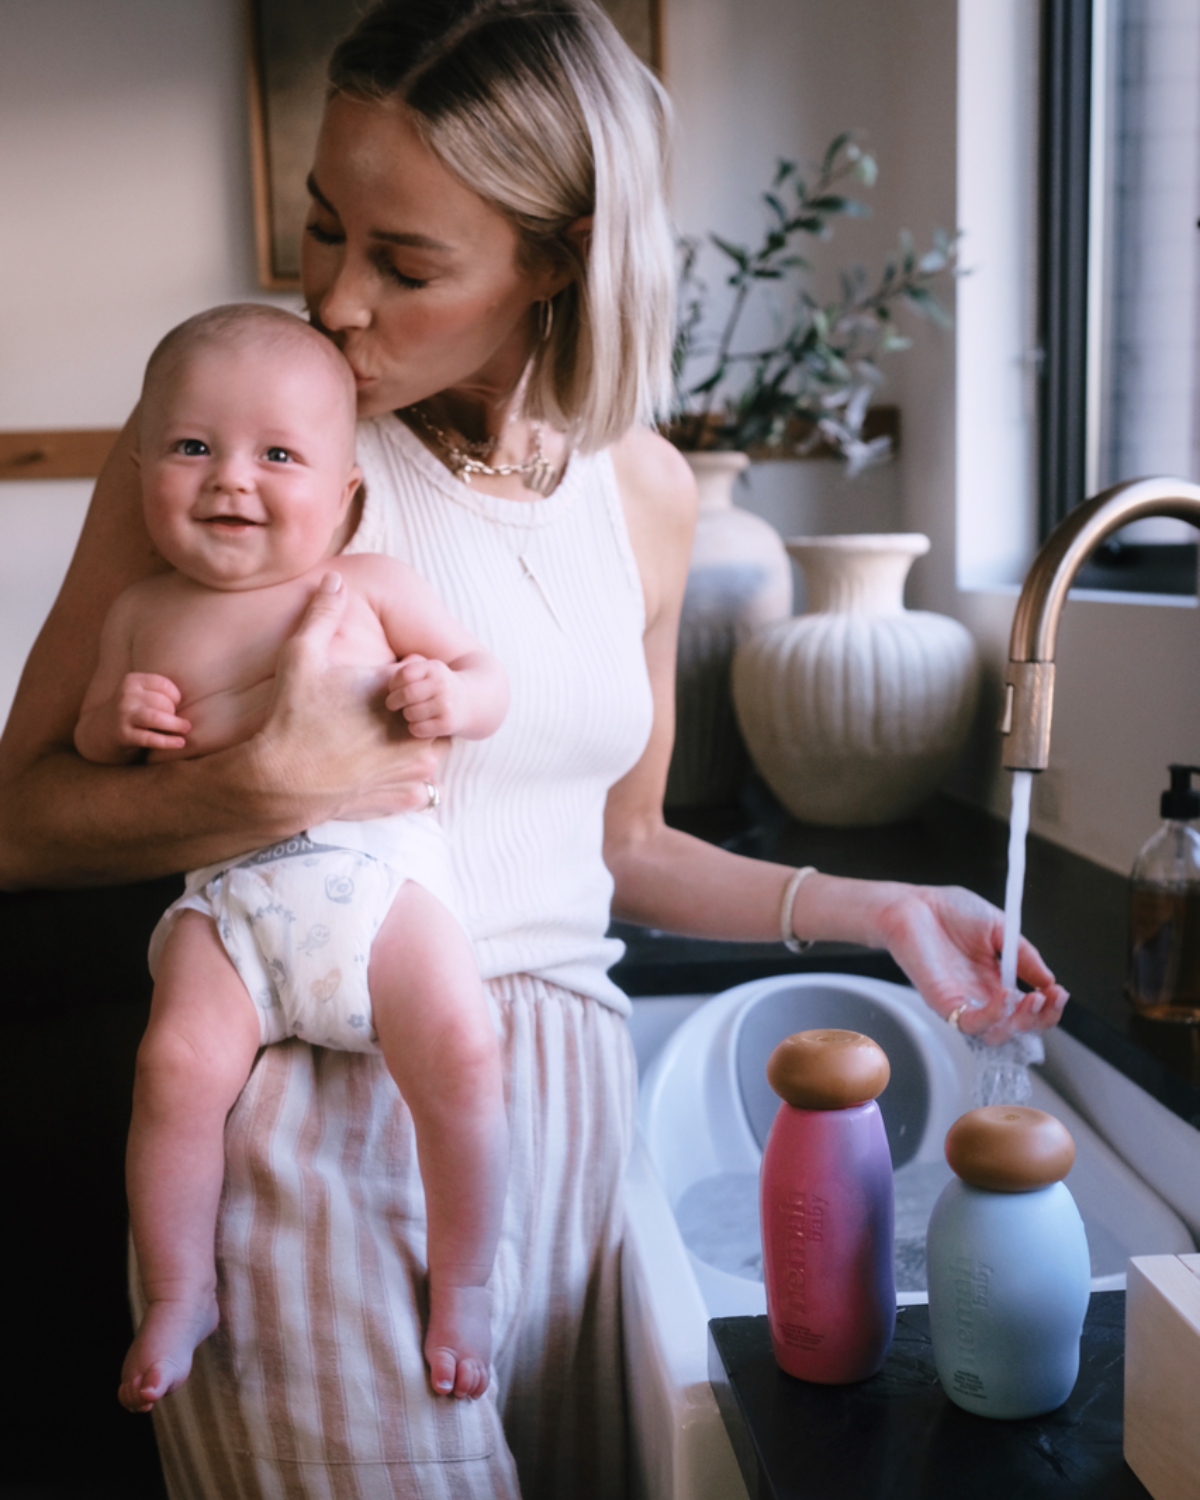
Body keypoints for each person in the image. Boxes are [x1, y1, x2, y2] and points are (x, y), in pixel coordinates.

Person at [0, 2, 1067, 1496]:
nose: (337, 303)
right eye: (322, 230)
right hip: (311, 1090)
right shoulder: (255, 444)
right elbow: (20, 821)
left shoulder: (644, 491)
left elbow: (620, 850)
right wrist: (262, 785)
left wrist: (873, 909)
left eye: (405, 261)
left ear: (558, 259)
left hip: (563, 1109)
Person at [74, 303, 511, 1415]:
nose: (232, 479)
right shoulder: (139, 611)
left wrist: (445, 692)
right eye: (191, 448)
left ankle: (462, 1276)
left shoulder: (362, 585)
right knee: (172, 1070)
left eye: (277, 454)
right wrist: (118, 719)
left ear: (344, 495)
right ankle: (179, 1290)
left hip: (374, 878)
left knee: (462, 1045)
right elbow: (84, 742)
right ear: (140, 470)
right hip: (229, 903)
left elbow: (484, 677)